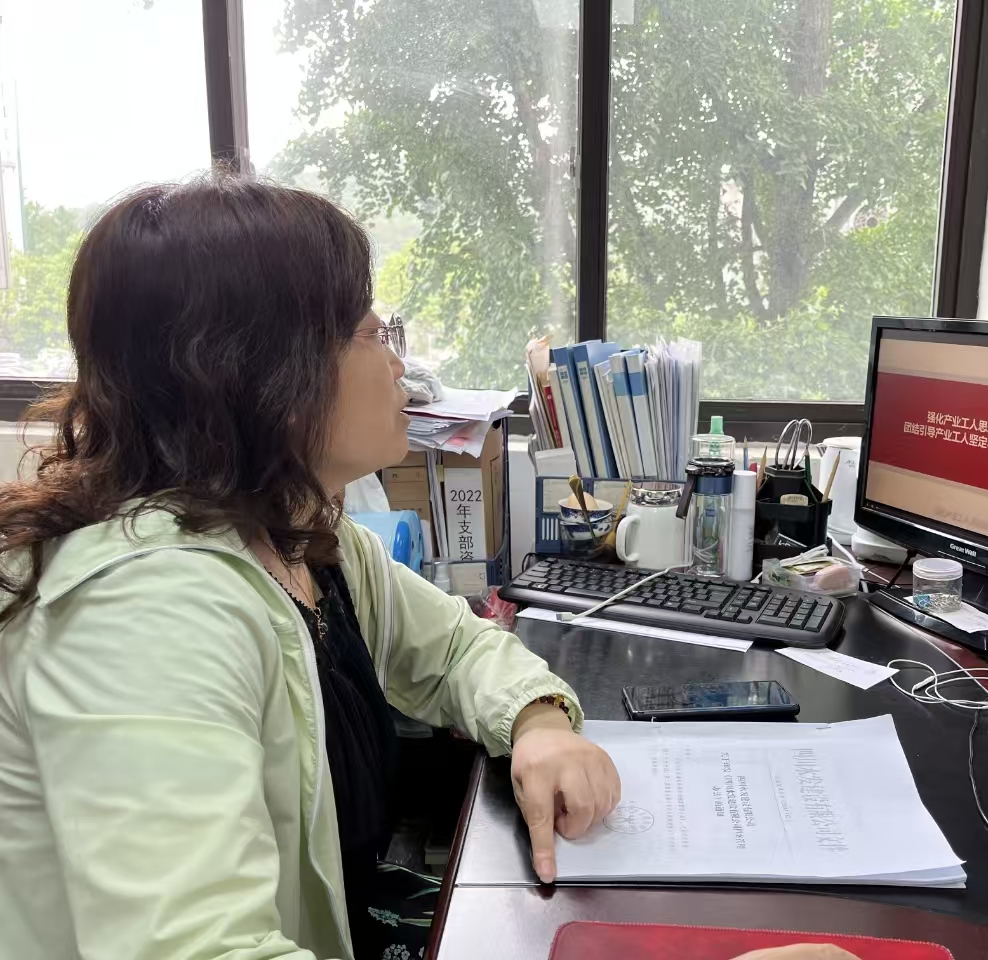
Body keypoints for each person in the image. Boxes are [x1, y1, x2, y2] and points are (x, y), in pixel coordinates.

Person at [0, 176, 858, 960]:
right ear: (259, 370)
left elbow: (455, 649)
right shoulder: (147, 615)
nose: (399, 366)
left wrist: (540, 725)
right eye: (372, 333)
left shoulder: (293, 535)